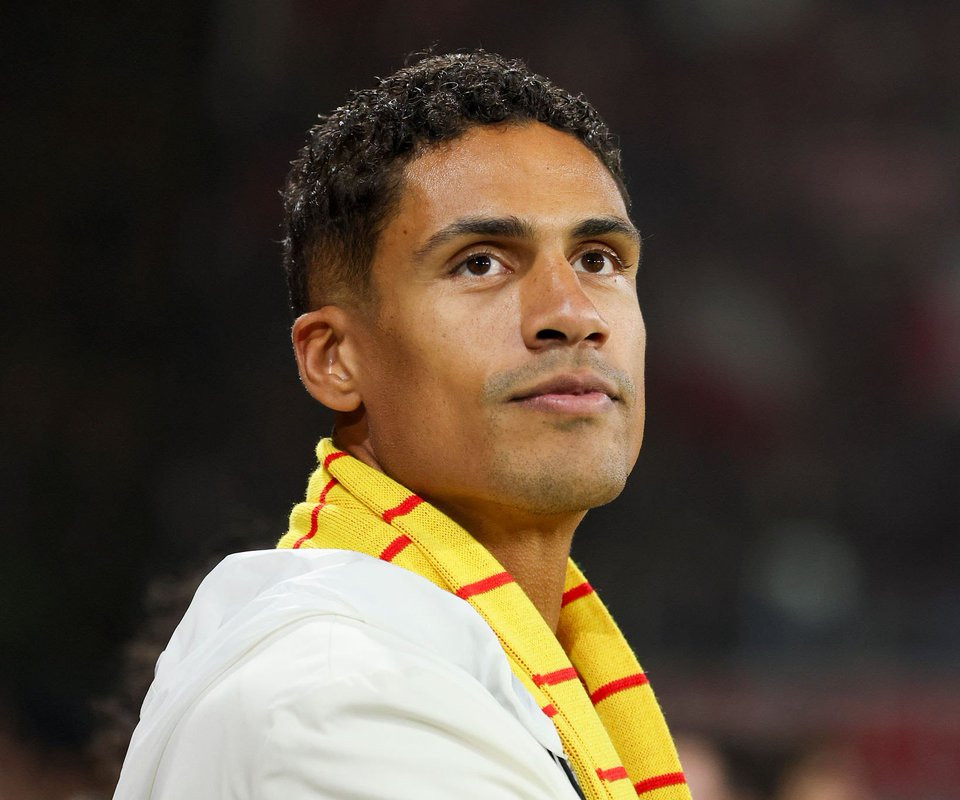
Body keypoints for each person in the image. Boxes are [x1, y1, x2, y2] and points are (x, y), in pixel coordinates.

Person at [114, 51, 690, 799]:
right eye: (480, 263)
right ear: (334, 359)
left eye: (599, 259)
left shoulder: (449, 661)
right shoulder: (339, 697)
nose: (572, 314)